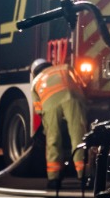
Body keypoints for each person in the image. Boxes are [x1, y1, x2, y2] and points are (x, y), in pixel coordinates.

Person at [30, 58, 89, 190]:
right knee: (78, 136)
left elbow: (38, 109)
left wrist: (46, 125)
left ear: (34, 72)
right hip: (72, 98)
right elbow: (81, 84)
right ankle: (84, 175)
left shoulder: (35, 82)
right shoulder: (65, 67)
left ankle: (54, 179)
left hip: (50, 105)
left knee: (53, 140)